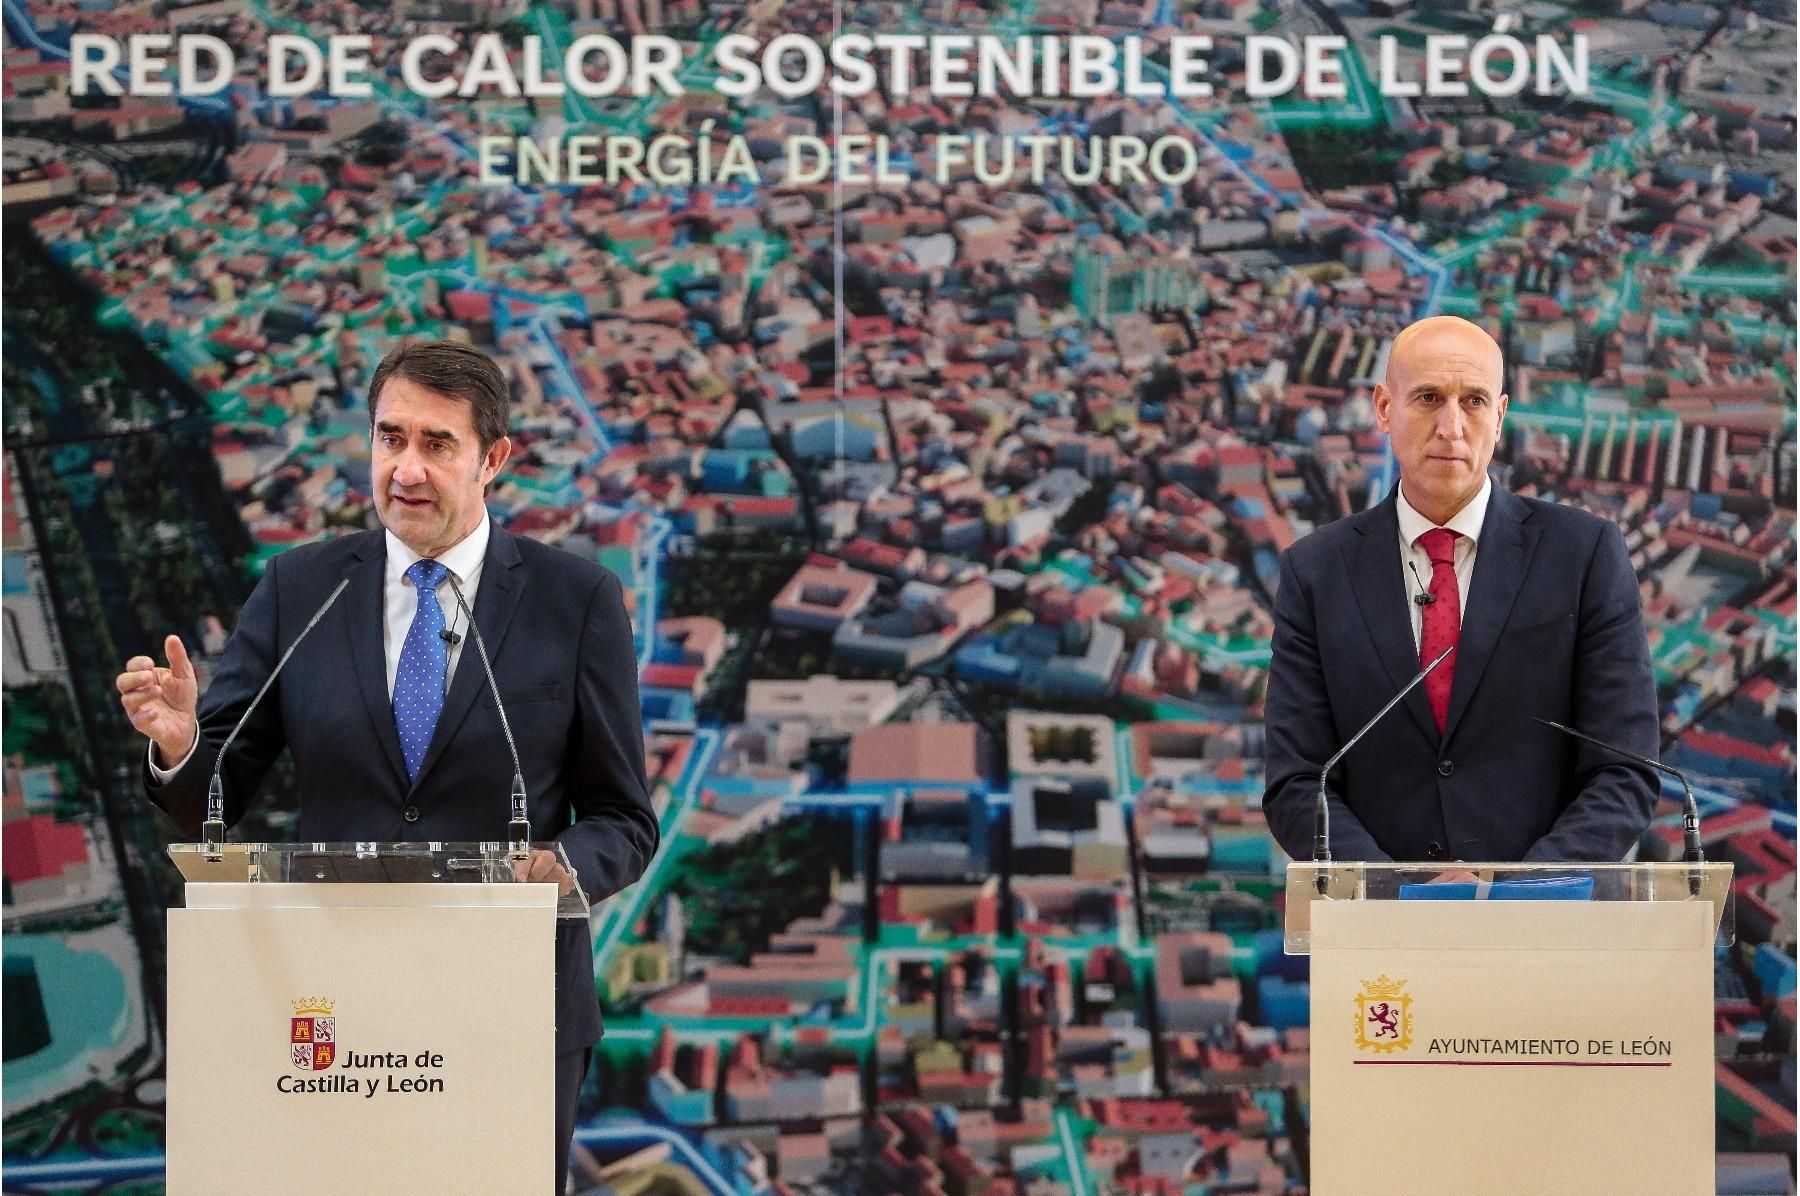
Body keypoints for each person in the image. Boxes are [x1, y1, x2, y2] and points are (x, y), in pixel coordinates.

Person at [116, 339, 658, 1191]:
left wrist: (563, 869)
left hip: (512, 1006)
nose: (405, 468)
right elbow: (210, 799)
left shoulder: (576, 600)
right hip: (335, 1006)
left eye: (437, 444)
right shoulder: (301, 587)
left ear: (494, 460)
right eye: (389, 437)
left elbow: (627, 821)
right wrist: (181, 745)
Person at [1262, 316, 1659, 864]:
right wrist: (1398, 897)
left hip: (1539, 928)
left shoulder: (1583, 555)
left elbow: (1624, 769)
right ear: (1383, 407)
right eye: (1428, 398)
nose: (1451, 426)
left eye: (1473, 402)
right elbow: (1297, 781)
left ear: (1499, 418)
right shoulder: (1316, 572)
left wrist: (1511, 898)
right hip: (1379, 931)